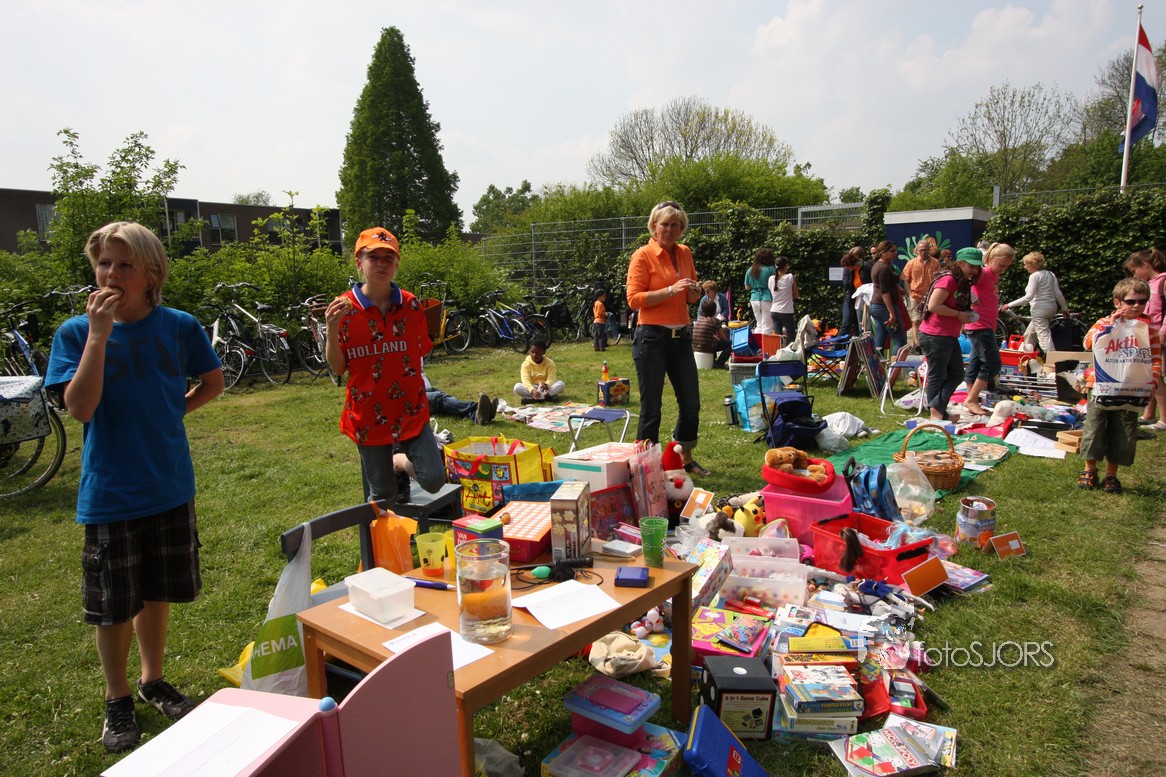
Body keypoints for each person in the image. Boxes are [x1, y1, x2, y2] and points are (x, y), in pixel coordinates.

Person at [45, 222, 225, 753]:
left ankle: (152, 679)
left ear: (152, 274)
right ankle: (116, 696)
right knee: (114, 604)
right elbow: (80, 409)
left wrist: (173, 411)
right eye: (104, 263)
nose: (111, 274)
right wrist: (99, 337)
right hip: (111, 492)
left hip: (168, 484)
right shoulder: (76, 333)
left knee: (155, 591)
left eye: (125, 265)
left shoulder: (179, 326)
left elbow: (213, 382)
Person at [324, 227, 445, 505]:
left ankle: (398, 460)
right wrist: (331, 330)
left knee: (434, 479)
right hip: (368, 415)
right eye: (373, 257)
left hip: (410, 408)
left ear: (396, 264)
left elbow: (422, 349)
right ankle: (385, 534)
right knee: (383, 496)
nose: (381, 263)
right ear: (359, 263)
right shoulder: (343, 309)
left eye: (388, 258)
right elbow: (338, 368)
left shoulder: (410, 305)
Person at [626, 200, 708, 476]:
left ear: (682, 228)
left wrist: (695, 291)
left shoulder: (685, 252)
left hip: (681, 337)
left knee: (691, 402)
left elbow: (691, 296)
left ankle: (685, 458)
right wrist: (671, 290)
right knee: (652, 405)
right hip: (651, 338)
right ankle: (646, 467)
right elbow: (633, 299)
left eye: (675, 225)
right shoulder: (642, 255)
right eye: (664, 224)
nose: (670, 230)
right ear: (654, 225)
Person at [1078, 277, 1162, 493]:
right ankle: (1089, 468)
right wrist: (1109, 325)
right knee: (1095, 427)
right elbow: (1088, 343)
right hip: (1100, 385)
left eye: (1142, 302)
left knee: (1123, 430)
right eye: (1131, 301)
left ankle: (1111, 473)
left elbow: (1154, 358)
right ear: (1118, 302)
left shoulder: (1148, 330)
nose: (1137, 306)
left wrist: (1152, 382)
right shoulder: (1104, 322)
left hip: (1132, 388)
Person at [918, 247, 982, 421]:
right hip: (935, 334)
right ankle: (937, 413)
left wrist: (965, 314)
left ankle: (937, 409)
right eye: (971, 266)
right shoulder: (949, 280)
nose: (974, 270)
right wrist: (958, 314)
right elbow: (934, 306)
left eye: (977, 267)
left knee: (957, 374)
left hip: (947, 334)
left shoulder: (962, 281)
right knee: (938, 376)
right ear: (960, 263)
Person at [962, 243, 1015, 416]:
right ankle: (971, 399)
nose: (1003, 269)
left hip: (985, 324)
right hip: (980, 325)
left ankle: (972, 399)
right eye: (1001, 265)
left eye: (1007, 267)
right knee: (992, 363)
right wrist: (972, 299)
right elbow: (964, 282)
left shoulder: (992, 275)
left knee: (976, 362)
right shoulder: (984, 273)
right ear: (991, 259)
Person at [1122, 248, 1166, 430]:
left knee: (1158, 376)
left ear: (1146, 265)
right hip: (1148, 334)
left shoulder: (1163, 281)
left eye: (1135, 271)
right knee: (1148, 374)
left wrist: (1163, 331)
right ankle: (1149, 414)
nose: (1135, 276)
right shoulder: (1151, 284)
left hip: (1160, 335)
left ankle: (1164, 419)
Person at [1001, 251, 1068, 354]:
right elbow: (1058, 293)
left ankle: (1053, 360)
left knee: (1044, 336)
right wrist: (1064, 308)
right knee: (1029, 334)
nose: (1025, 267)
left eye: (1026, 264)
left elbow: (1028, 297)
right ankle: (1026, 358)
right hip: (1051, 308)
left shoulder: (1034, 276)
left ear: (1032, 265)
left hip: (1039, 310)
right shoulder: (1050, 274)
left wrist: (1009, 305)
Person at [869, 240, 909, 355]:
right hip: (883, 307)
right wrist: (891, 312)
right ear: (883, 253)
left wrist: (898, 287)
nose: (895, 253)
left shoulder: (880, 265)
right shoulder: (883, 268)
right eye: (892, 251)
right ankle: (895, 366)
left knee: (880, 339)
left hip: (877, 307)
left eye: (896, 250)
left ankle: (878, 364)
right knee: (899, 340)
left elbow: (885, 284)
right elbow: (884, 291)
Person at [900, 240, 942, 347]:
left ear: (929, 250)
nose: (922, 252)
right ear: (917, 251)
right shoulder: (911, 263)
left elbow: (939, 279)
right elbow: (905, 279)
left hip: (929, 296)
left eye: (924, 250)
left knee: (927, 319)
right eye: (920, 250)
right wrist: (909, 293)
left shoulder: (935, 263)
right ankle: (917, 343)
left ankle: (925, 342)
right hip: (915, 295)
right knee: (915, 320)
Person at [767, 255, 798, 345]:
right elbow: (796, 295)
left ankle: (778, 352)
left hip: (774, 310)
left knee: (778, 338)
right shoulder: (790, 277)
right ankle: (791, 352)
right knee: (791, 337)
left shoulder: (771, 279)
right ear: (785, 266)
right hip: (786, 311)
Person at [744, 247, 775, 335]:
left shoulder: (750, 269)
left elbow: (747, 287)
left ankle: (757, 342)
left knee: (759, 324)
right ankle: (765, 343)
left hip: (754, 298)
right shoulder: (771, 269)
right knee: (767, 326)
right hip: (767, 298)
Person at [692, 298, 731, 368]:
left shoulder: (699, 320)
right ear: (714, 310)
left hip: (695, 347)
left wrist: (715, 338)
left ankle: (713, 362)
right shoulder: (715, 321)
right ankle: (719, 364)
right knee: (729, 344)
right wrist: (728, 341)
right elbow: (723, 338)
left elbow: (704, 334)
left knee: (713, 342)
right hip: (706, 346)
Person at [839, 246, 866, 337]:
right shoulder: (849, 268)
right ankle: (837, 344)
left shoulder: (864, 267)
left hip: (862, 299)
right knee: (847, 323)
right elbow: (846, 283)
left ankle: (856, 343)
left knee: (859, 325)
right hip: (851, 298)